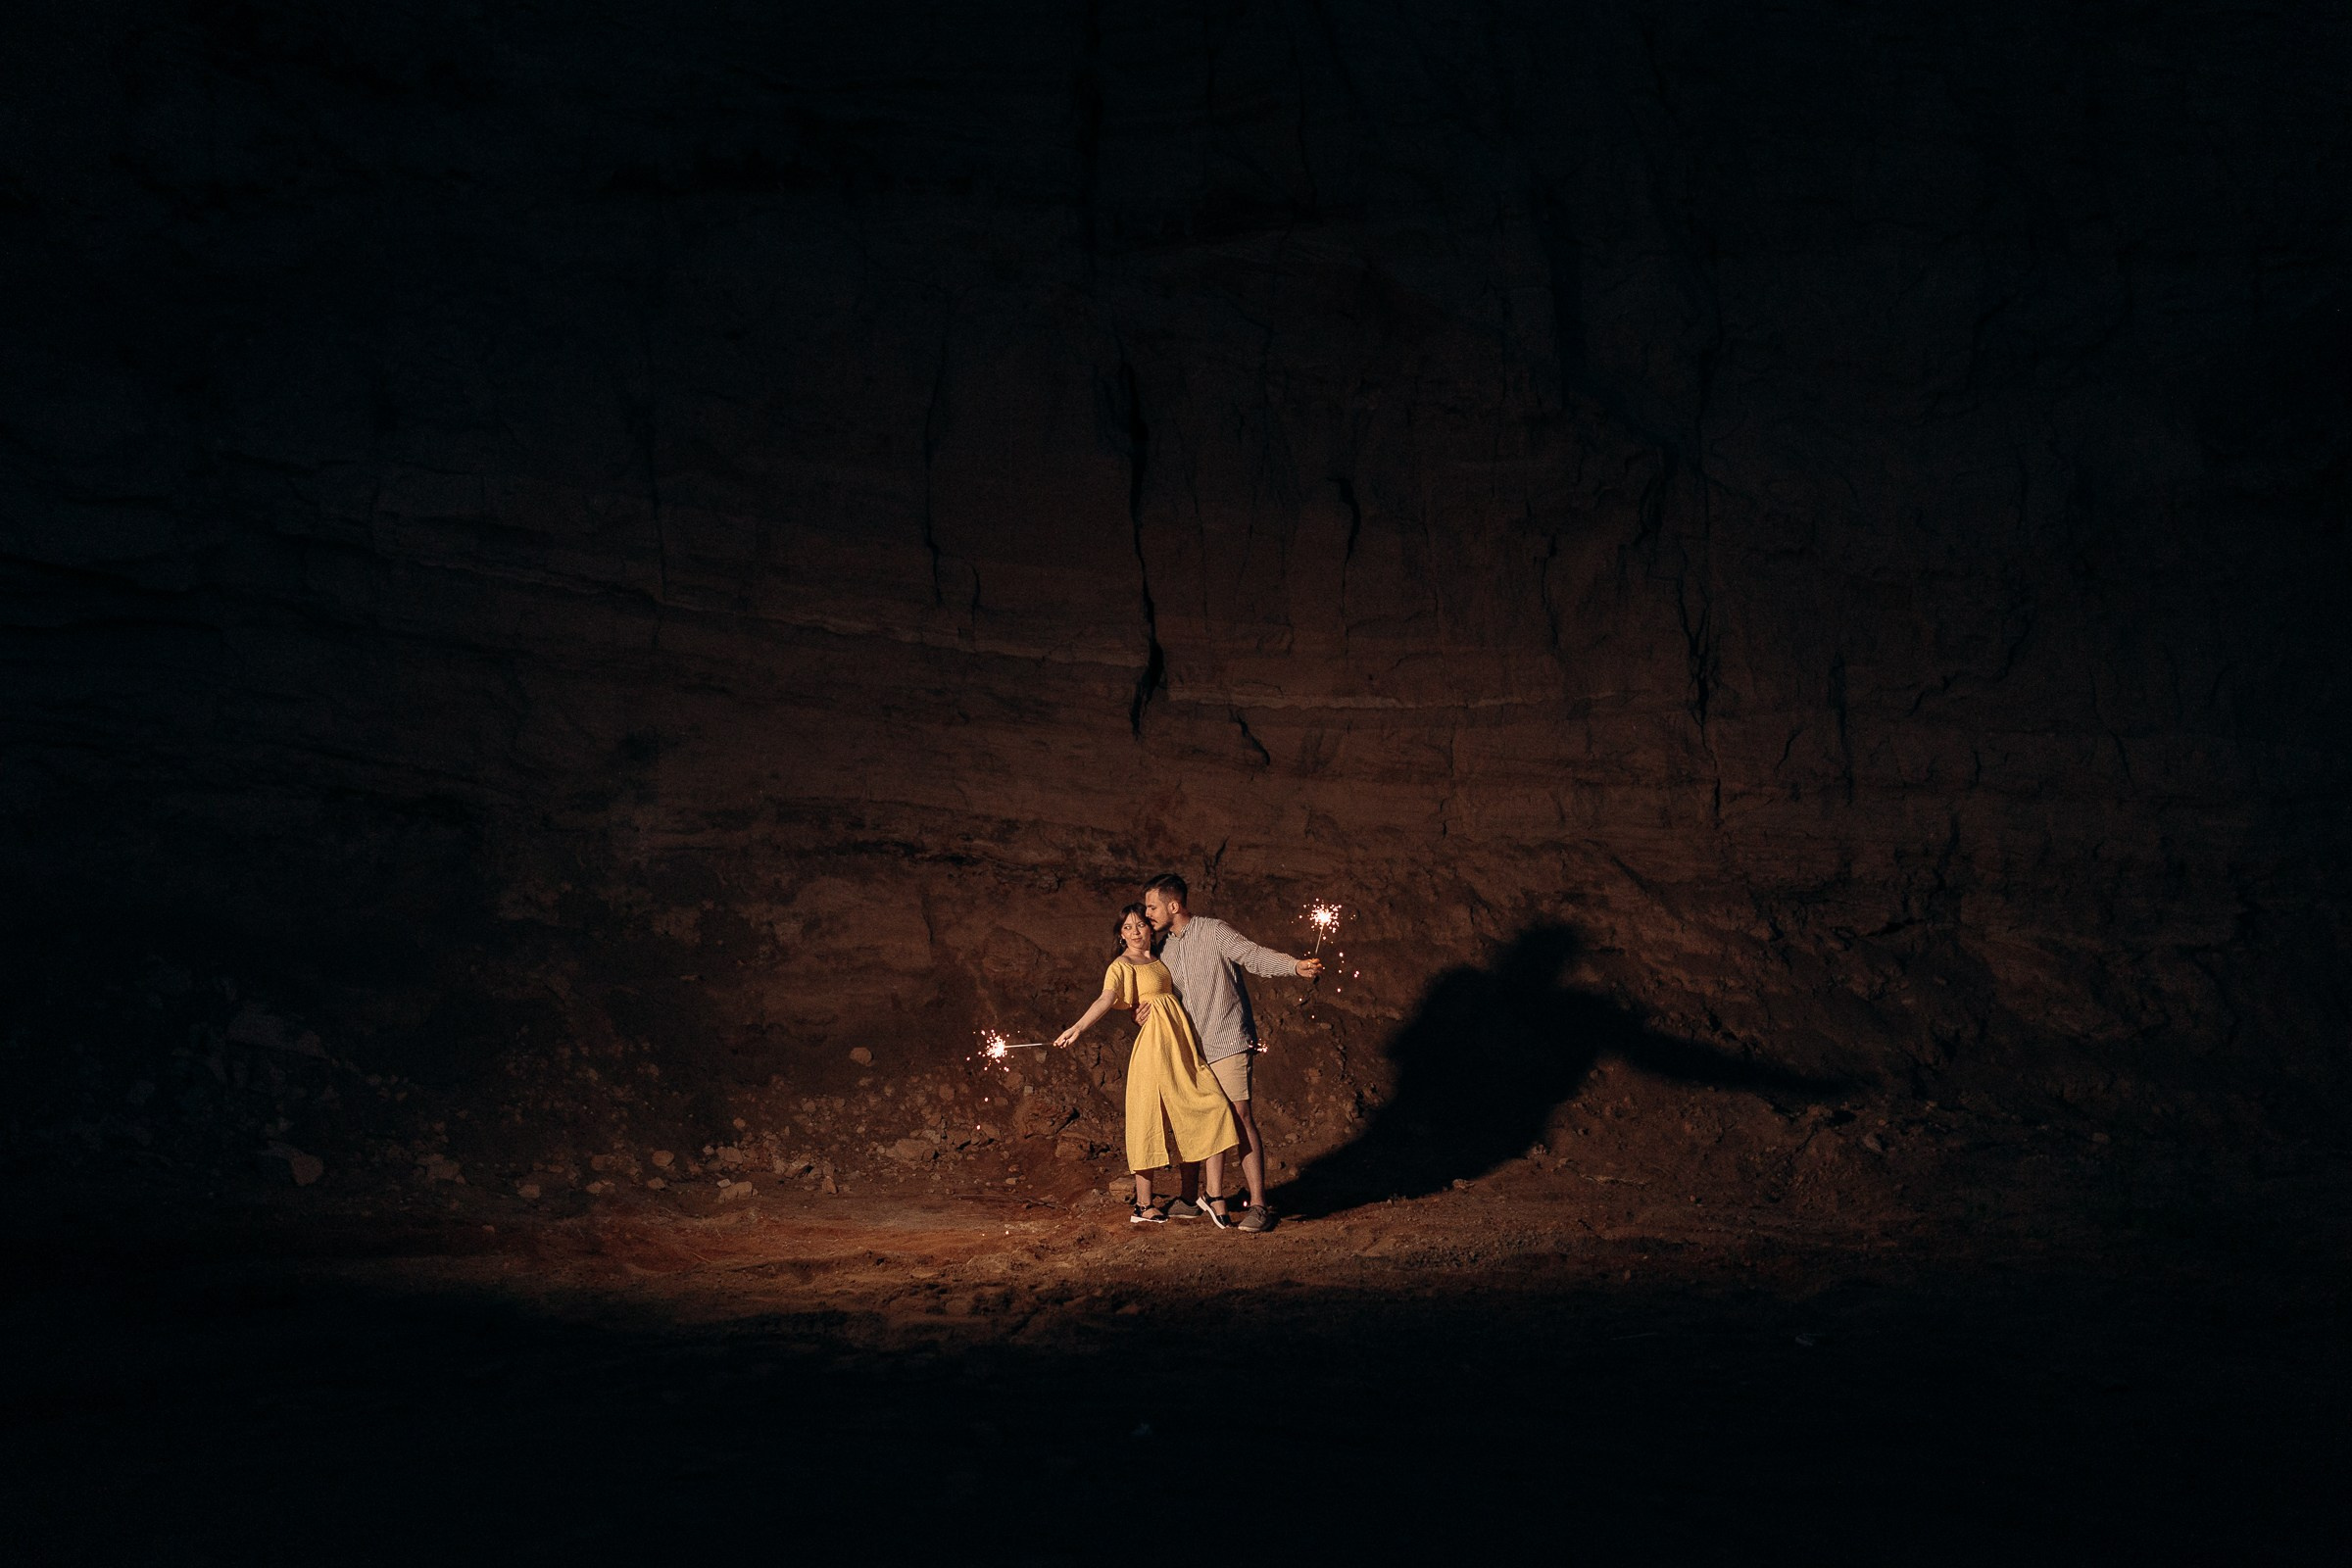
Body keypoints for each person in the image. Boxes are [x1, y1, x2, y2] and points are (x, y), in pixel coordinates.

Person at [1136, 873, 1320, 1232]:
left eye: (1152, 906)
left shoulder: (1214, 931)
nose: (1148, 914)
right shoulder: (1163, 950)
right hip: (1188, 1046)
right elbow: (1155, 995)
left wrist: (1294, 966)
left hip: (1226, 1040)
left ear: (1174, 905)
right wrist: (1138, 1012)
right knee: (1193, 1116)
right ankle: (1191, 1199)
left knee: (1238, 1115)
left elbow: (1252, 955)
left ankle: (1260, 1206)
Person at [1054, 905, 1240, 1226]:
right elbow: (1106, 998)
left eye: (1140, 925)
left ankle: (1211, 1193)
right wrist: (1079, 1028)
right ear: (1121, 934)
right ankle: (1143, 1205)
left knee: (1215, 1107)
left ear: (1150, 929)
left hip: (1179, 1048)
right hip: (1153, 1049)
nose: (1136, 931)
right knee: (1147, 1118)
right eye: (1128, 927)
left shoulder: (1158, 959)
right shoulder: (1121, 965)